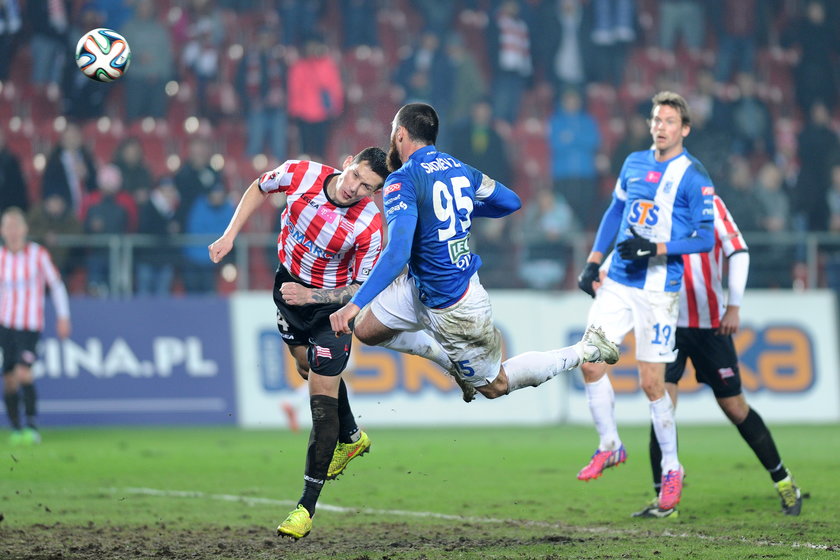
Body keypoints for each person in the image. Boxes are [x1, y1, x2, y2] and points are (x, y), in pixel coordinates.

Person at [330, 104, 618, 416]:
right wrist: (460, 206)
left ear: (400, 134)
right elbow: (510, 201)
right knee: (367, 330)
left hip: (455, 305)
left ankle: (585, 349)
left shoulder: (402, 180)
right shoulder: (459, 169)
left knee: (495, 386)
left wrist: (353, 304)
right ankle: (447, 360)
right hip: (420, 285)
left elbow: (397, 252)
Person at [208, 147, 390, 541]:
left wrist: (314, 297)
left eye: (367, 188)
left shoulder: (369, 227)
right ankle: (354, 436)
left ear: (375, 193)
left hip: (331, 310)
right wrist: (229, 234)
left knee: (320, 403)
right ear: (346, 163)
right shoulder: (300, 173)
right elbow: (259, 186)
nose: (355, 189)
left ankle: (304, 508)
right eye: (356, 176)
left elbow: (362, 288)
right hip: (287, 291)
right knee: (306, 366)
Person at [575, 91, 716, 513]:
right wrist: (593, 260)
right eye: (656, 119)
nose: (660, 126)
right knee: (589, 360)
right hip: (618, 281)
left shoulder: (694, 176)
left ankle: (672, 469)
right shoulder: (633, 163)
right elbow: (614, 213)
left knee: (652, 385)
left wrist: (655, 248)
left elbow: (705, 238)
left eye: (670, 121)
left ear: (684, 129)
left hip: (658, 290)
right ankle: (610, 444)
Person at [631, 194, 802, 518]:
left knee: (735, 408)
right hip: (666, 324)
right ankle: (663, 500)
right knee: (661, 408)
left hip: (709, 325)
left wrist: (734, 305)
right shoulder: (647, 207)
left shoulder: (709, 203)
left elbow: (738, 250)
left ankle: (784, 482)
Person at [1, 208, 71, 445]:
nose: (12, 232)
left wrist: (63, 317)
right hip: (5, 326)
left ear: (24, 229)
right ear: (2, 231)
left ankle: (31, 424)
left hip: (29, 326)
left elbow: (57, 285)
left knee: (24, 373)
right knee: (9, 379)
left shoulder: (38, 255)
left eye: (15, 227)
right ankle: (16, 427)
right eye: (7, 227)